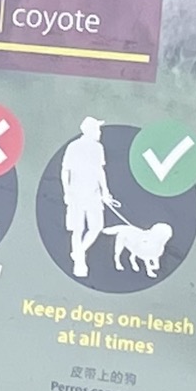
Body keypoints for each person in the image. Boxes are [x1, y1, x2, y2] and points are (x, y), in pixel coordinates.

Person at [61, 116, 114, 279]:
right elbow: (65, 170)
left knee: (96, 227)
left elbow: (100, 171)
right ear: (90, 130)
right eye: (97, 129)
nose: (99, 132)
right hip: (76, 194)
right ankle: (79, 262)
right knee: (77, 229)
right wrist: (67, 191)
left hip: (93, 195)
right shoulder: (73, 147)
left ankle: (79, 252)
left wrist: (105, 192)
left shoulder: (98, 148)